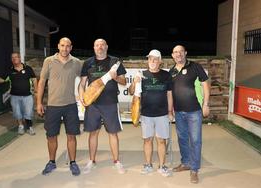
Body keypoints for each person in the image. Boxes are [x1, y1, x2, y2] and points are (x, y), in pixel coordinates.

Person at [78, 38, 127, 174]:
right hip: (93, 104)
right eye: (97, 45)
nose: (100, 47)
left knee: (113, 133)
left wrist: (115, 77)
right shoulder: (88, 63)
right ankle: (91, 161)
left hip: (110, 103)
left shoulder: (115, 62)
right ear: (94, 48)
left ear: (106, 46)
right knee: (93, 133)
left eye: (102, 45)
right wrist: (82, 96)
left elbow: (123, 81)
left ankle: (116, 161)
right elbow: (82, 84)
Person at [37, 37, 82, 176]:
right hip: (53, 106)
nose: (65, 48)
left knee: (71, 136)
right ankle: (51, 162)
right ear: (58, 46)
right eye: (62, 45)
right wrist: (39, 102)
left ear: (71, 47)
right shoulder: (49, 61)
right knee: (51, 136)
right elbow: (42, 81)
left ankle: (73, 163)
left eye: (68, 46)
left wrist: (82, 96)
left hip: (70, 106)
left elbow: (83, 80)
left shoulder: (77, 63)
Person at [169, 45, 210, 183]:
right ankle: (186, 163)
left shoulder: (195, 66)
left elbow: (205, 84)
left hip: (194, 111)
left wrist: (205, 104)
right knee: (182, 139)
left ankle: (194, 169)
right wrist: (170, 110)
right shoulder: (172, 71)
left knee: (196, 140)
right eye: (175, 52)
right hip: (179, 112)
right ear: (172, 55)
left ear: (185, 53)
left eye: (180, 51)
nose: (178, 54)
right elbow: (169, 92)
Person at [129, 49, 173, 177]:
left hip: (162, 114)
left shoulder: (166, 75)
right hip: (146, 114)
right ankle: (148, 165)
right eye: (150, 59)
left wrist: (170, 111)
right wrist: (134, 82)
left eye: (155, 59)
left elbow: (169, 94)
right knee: (147, 140)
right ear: (147, 60)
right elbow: (132, 92)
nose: (152, 61)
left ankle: (162, 166)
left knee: (161, 141)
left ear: (160, 61)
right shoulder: (141, 75)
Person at [0, 52, 37, 135]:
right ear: (11, 60)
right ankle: (21, 126)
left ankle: (29, 127)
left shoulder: (28, 68)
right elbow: (2, 79)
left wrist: (36, 90)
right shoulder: (10, 71)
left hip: (27, 96)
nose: (14, 59)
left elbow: (34, 79)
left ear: (20, 58)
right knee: (17, 113)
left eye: (16, 57)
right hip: (15, 97)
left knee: (28, 112)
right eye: (12, 58)